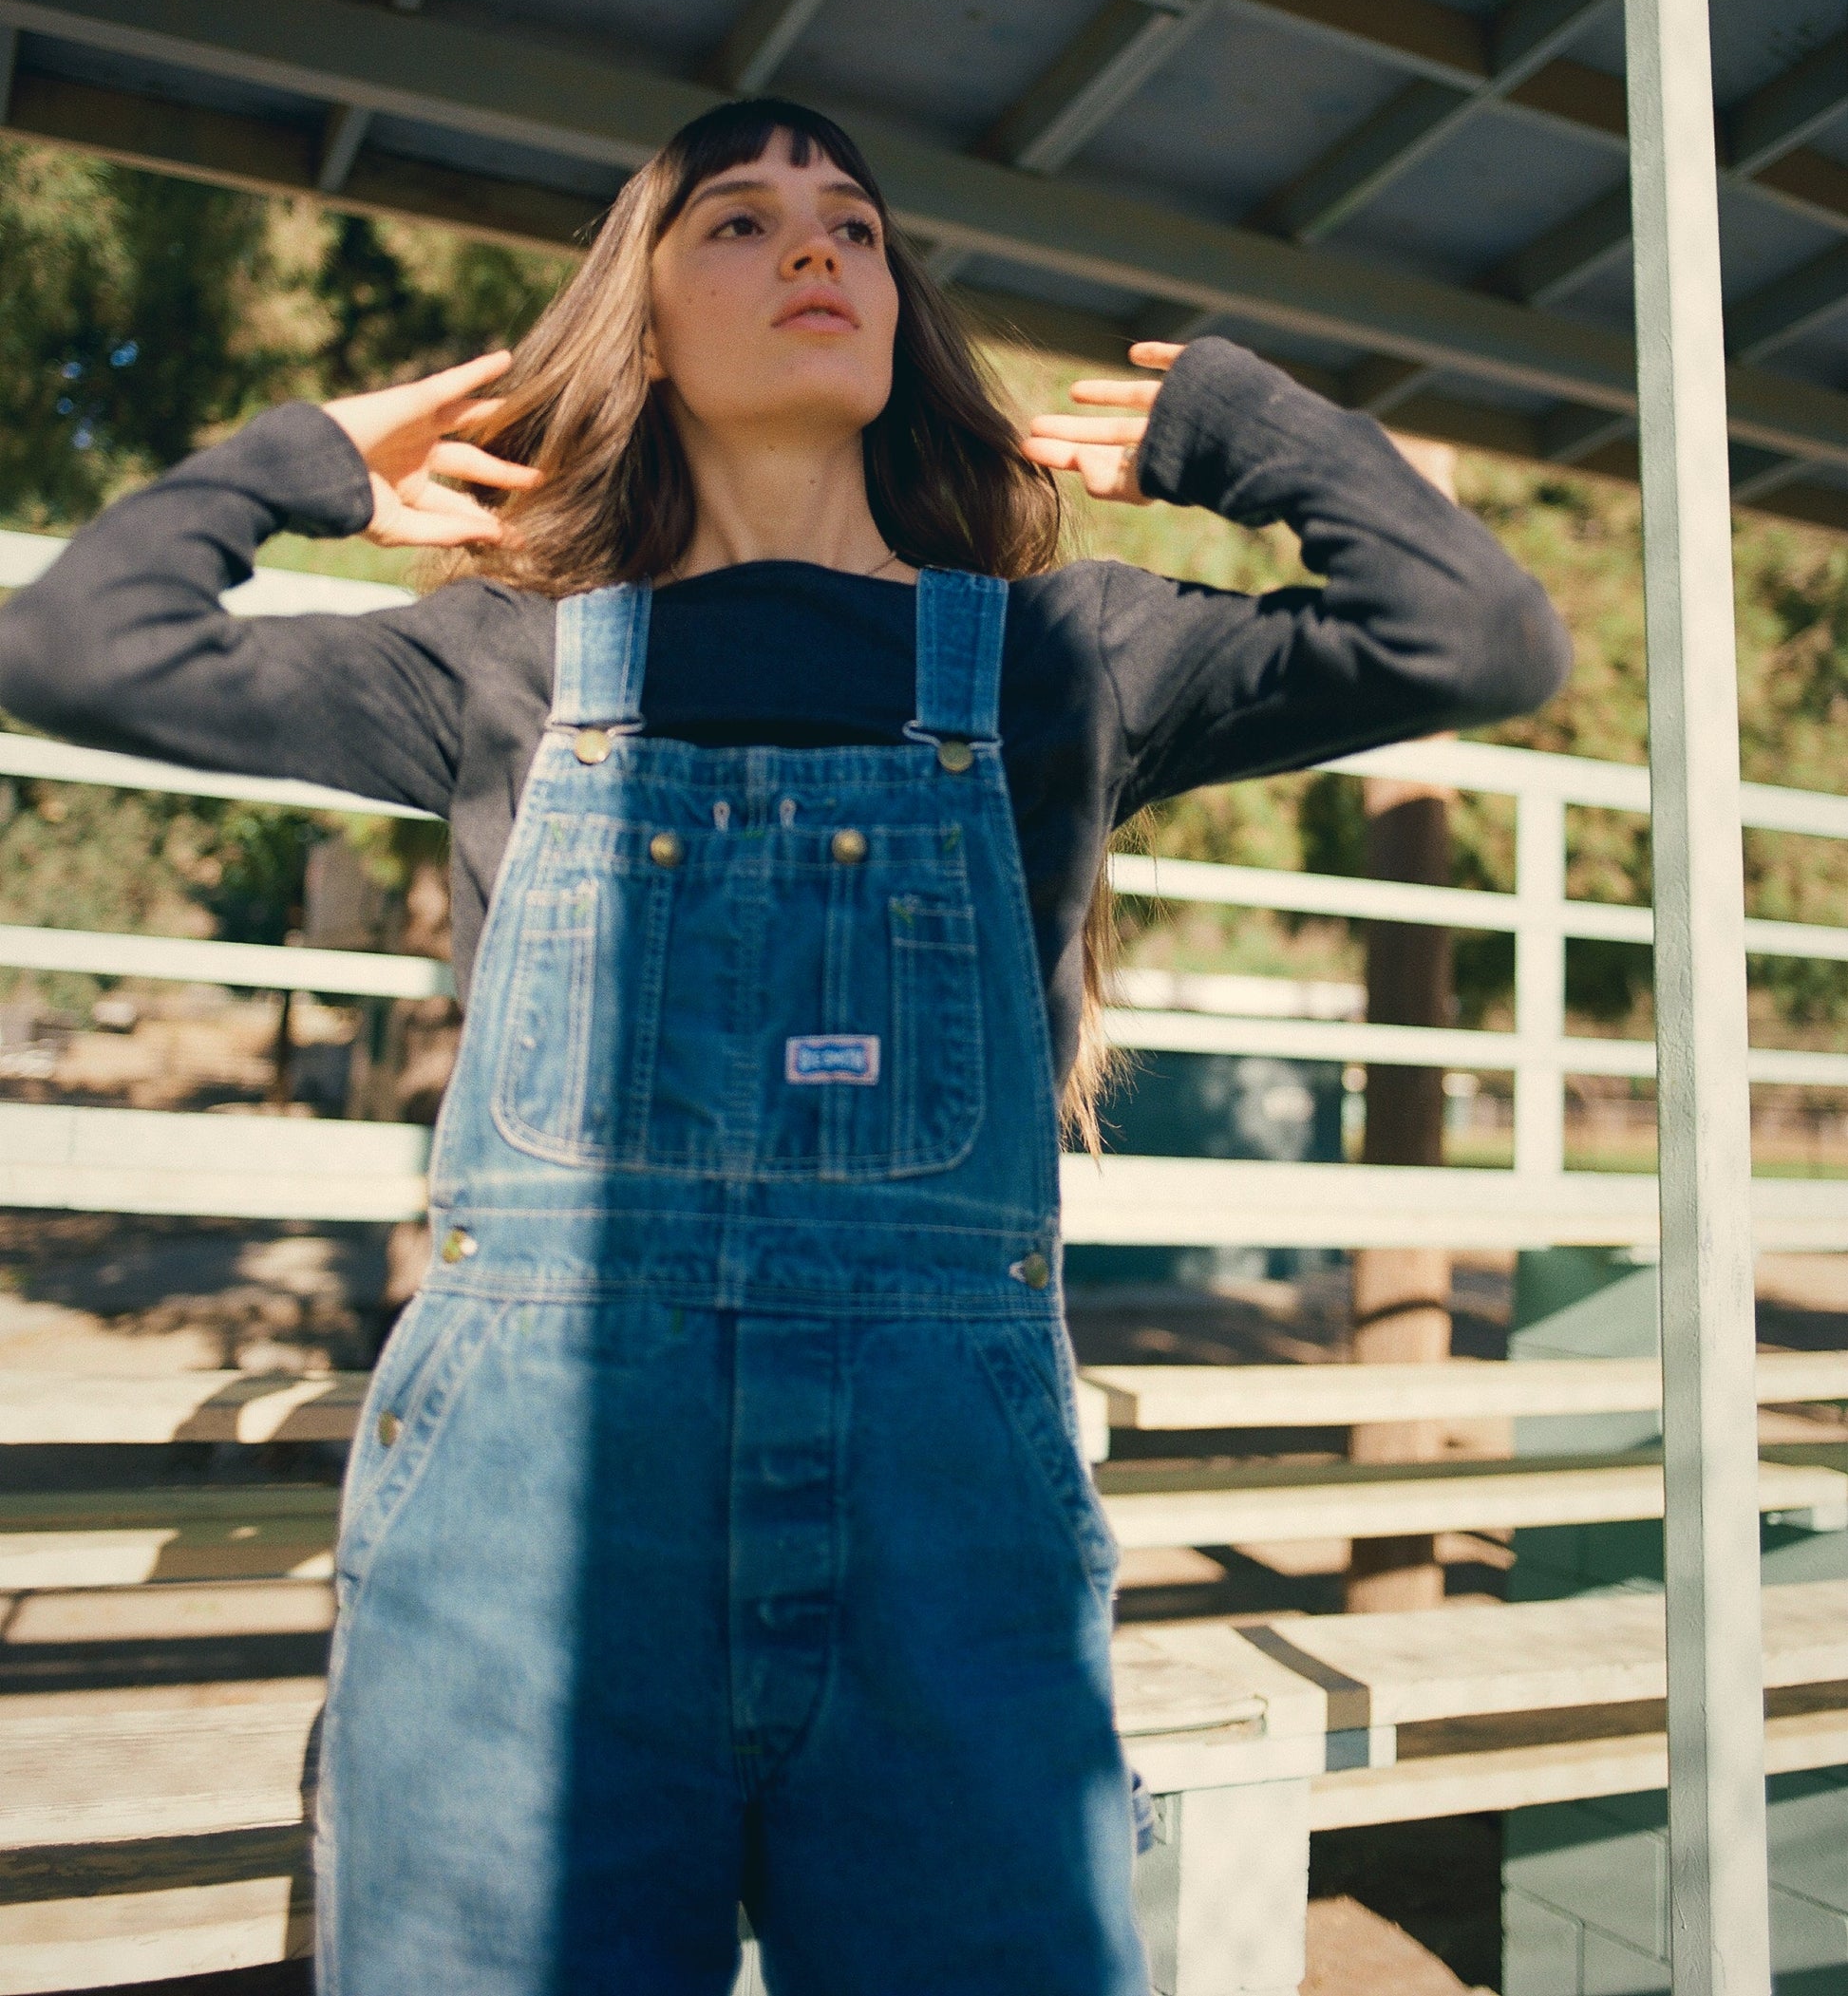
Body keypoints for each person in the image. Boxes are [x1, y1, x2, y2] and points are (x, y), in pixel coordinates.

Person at [0, 98, 1569, 1994]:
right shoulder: (507, 657)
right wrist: (315, 461)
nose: (815, 248)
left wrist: (1249, 433)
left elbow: (1474, 636)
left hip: (948, 1578)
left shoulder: (1071, 654)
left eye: (853, 225)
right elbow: (78, 644)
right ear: (638, 324)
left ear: (898, 312)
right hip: (527, 1588)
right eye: (736, 223)